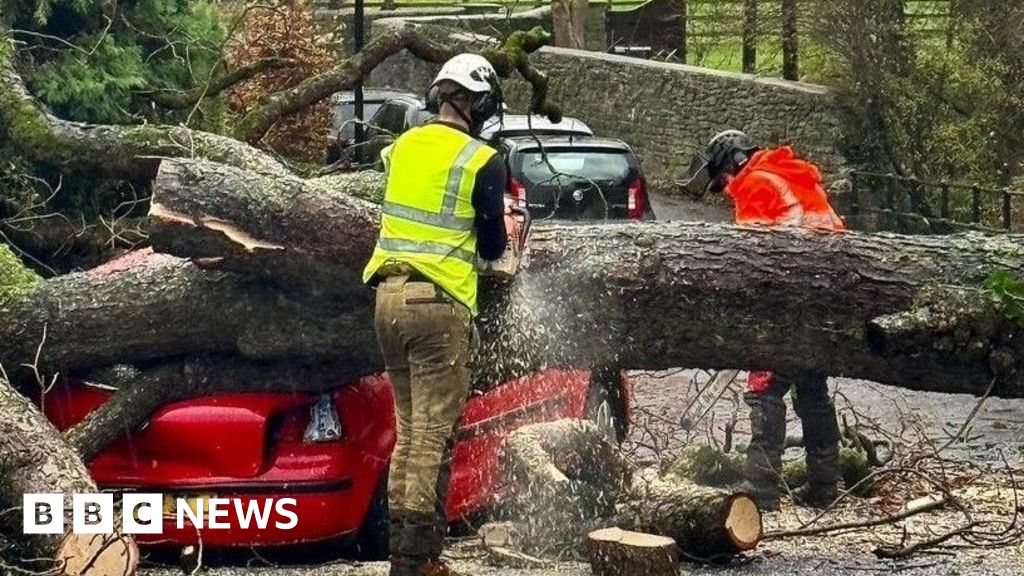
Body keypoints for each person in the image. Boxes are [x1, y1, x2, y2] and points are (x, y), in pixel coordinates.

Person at [362, 53, 513, 576]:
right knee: (430, 435)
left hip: (387, 299)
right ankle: (410, 564)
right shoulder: (481, 160)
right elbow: (494, 246)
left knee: (412, 432)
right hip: (438, 303)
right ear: (477, 102)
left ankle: (420, 558)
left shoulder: (401, 148)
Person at [680, 130, 845, 510]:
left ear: (732, 164)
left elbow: (750, 263)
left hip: (786, 301)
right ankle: (825, 484)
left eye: (722, 179)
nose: (723, 188)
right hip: (824, 298)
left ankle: (761, 488)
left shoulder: (755, 184)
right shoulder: (791, 176)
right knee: (812, 391)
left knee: (765, 389)